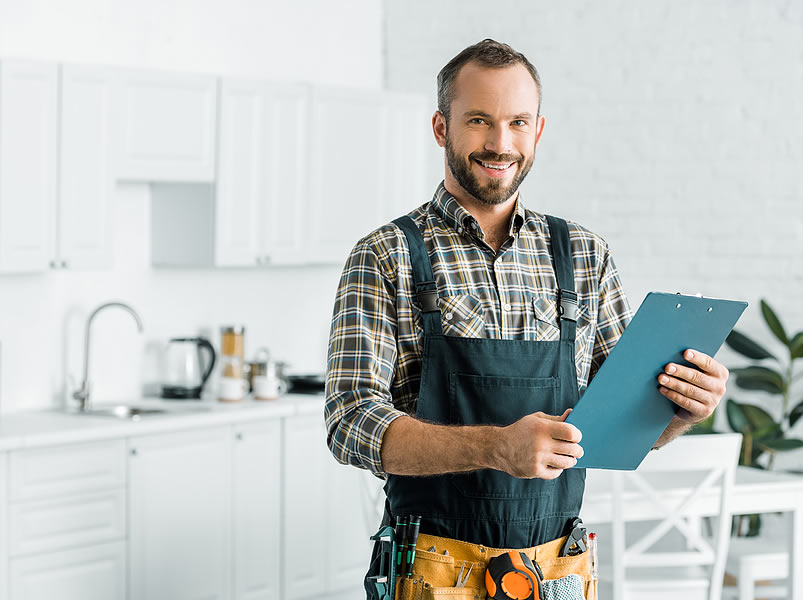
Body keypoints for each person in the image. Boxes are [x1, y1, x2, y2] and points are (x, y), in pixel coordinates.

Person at [325, 39, 729, 598]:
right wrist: (494, 447)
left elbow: (621, 425)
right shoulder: (386, 254)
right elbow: (348, 423)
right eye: (479, 121)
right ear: (441, 128)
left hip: (559, 570)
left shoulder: (585, 255)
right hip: (433, 571)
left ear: (538, 131)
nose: (500, 143)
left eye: (518, 122)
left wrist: (684, 410)